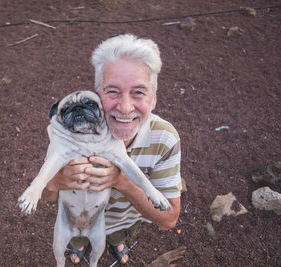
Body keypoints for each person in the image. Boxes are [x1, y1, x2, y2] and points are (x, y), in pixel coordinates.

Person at [42, 34, 182, 265]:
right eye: (112, 91)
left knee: (118, 233)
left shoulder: (165, 139)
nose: (125, 108)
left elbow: (168, 220)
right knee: (78, 238)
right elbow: (48, 197)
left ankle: (116, 241)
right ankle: (79, 244)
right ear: (98, 95)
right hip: (76, 216)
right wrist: (57, 180)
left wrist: (122, 180)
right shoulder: (72, 134)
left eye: (138, 92)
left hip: (125, 219)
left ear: (154, 99)